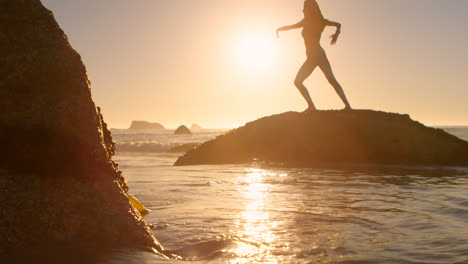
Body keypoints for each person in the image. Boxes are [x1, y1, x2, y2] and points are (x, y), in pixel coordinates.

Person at [276, 0, 352, 112]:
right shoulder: (317, 21)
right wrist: (279, 29)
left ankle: (316, 107)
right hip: (317, 55)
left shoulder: (311, 21)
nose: (303, 10)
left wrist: (279, 30)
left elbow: (292, 27)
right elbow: (338, 25)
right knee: (328, 80)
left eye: (305, 8)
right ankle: (344, 106)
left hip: (316, 56)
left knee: (300, 82)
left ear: (309, 9)